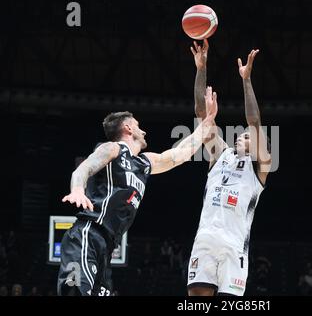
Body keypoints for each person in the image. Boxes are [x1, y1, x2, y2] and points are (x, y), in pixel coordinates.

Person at [57, 88, 218, 296]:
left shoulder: (144, 162)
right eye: (139, 127)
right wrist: (77, 189)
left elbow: (179, 154)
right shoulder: (113, 149)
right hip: (87, 233)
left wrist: (206, 124)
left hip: (107, 246)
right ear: (128, 128)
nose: (144, 131)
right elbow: (85, 167)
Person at [187, 40, 271, 296]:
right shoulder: (220, 154)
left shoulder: (261, 167)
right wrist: (201, 68)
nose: (241, 136)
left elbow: (254, 121)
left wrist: (246, 80)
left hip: (234, 247)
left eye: (247, 136)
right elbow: (201, 113)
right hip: (204, 241)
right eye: (241, 135)